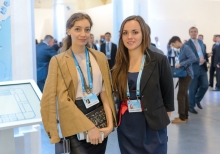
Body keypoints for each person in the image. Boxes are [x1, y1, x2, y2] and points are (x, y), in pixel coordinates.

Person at [40, 13, 117, 154]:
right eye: (77, 29)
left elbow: (105, 93)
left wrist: (110, 125)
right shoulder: (58, 60)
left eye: (87, 30)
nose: (83, 34)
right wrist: (88, 127)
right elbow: (56, 100)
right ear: (68, 31)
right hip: (74, 120)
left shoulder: (99, 57)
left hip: (100, 118)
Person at [112, 15, 174, 154]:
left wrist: (160, 122)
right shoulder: (119, 64)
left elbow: (168, 98)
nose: (130, 37)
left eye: (135, 32)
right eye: (125, 33)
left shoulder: (158, 60)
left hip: (152, 125)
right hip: (127, 127)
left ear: (143, 34)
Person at [168, 36, 197, 123]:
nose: (173, 46)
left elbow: (193, 58)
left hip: (187, 75)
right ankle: (185, 116)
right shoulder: (182, 49)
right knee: (184, 95)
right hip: (184, 75)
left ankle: (182, 118)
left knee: (180, 95)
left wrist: (181, 64)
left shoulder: (186, 48)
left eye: (173, 44)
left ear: (177, 42)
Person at [185, 27, 212, 113]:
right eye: (191, 32)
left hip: (202, 68)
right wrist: (197, 60)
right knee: (192, 89)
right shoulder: (187, 44)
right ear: (189, 33)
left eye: (195, 31)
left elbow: (202, 53)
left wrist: (207, 55)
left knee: (205, 85)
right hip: (193, 69)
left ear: (197, 33)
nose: (193, 33)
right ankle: (191, 107)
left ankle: (196, 100)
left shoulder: (200, 42)